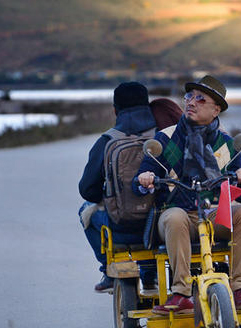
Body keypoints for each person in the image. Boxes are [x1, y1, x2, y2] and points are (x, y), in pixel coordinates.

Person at [134, 74, 241, 314]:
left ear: (216, 110)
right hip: (178, 216)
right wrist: (144, 180)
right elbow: (137, 185)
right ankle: (181, 294)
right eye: (189, 97)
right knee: (174, 217)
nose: (190, 102)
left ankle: (240, 289)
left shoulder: (226, 145)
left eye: (200, 99)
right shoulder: (165, 139)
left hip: (214, 214)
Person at [78, 82, 183, 293]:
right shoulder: (165, 135)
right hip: (164, 227)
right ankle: (150, 275)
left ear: (115, 110)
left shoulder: (107, 141)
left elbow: (88, 190)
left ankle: (108, 271)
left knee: (85, 210)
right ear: (148, 105)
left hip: (123, 228)